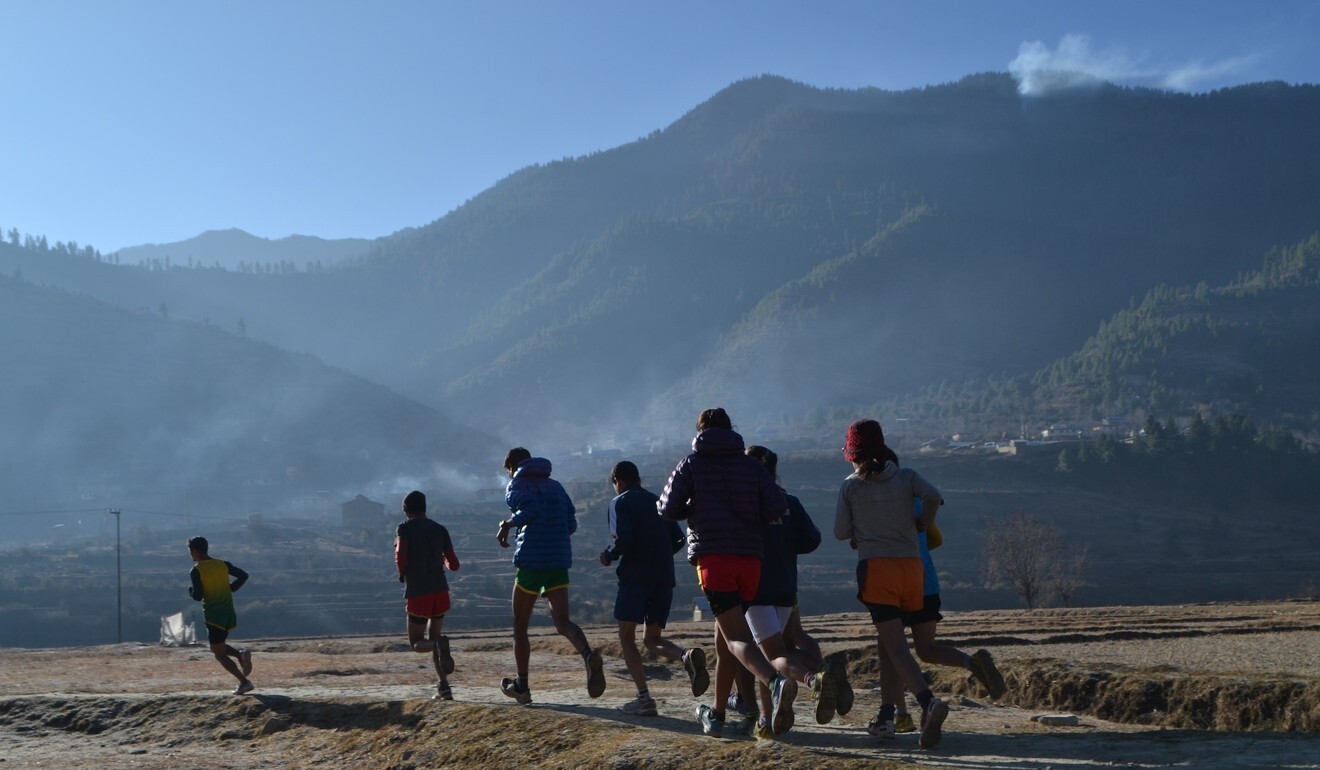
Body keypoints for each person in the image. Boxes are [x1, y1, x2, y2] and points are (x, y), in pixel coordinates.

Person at [658, 408, 832, 740]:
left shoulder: (690, 464)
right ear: (731, 429)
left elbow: (667, 508)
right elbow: (777, 506)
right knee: (726, 639)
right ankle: (719, 713)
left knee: (737, 639)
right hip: (751, 561)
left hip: (714, 561)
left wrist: (694, 508)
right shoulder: (751, 466)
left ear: (700, 431)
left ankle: (775, 682)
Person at [833, 418, 950, 749]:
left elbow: (841, 532)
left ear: (852, 454)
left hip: (877, 570)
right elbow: (934, 496)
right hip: (912, 570)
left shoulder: (851, 486)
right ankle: (886, 716)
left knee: (895, 647)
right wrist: (920, 524)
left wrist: (862, 528)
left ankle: (928, 702)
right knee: (889, 645)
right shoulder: (906, 477)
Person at [734, 444, 851, 739]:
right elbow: (811, 540)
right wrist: (785, 545)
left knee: (771, 657)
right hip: (786, 588)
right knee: (775, 651)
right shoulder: (789, 502)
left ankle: (813, 681)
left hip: (755, 590)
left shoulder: (743, 505)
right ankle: (821, 672)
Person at [599, 460, 709, 716]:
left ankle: (644, 698)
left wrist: (609, 555)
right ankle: (685, 656)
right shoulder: (658, 501)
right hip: (663, 577)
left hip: (635, 577)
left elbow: (623, 540)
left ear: (619, 481)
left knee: (626, 636)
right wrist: (658, 554)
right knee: (652, 639)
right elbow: (679, 539)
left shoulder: (620, 502)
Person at [497, 447, 604, 704]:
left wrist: (507, 525)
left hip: (532, 561)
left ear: (512, 466)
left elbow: (530, 511)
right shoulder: (555, 486)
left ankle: (522, 686)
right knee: (562, 622)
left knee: (520, 626)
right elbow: (571, 523)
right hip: (558, 559)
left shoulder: (516, 485)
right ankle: (588, 655)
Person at [892, 497, 1005, 732]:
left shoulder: (881, 500)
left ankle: (902, 714)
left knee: (894, 651)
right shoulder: (918, 503)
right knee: (927, 649)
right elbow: (937, 538)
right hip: (928, 584)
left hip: (898, 584)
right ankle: (971, 662)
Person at [395, 490, 462, 701]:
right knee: (436, 638)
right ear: (425, 508)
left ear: (406, 510)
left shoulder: (404, 528)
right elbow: (454, 564)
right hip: (440, 592)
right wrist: (440, 559)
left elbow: (400, 556)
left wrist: (402, 574)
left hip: (418, 593)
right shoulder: (440, 529)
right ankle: (444, 688)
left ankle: (436, 646)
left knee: (417, 642)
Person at [186, 536, 253, 695]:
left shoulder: (196, 570)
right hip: (228, 612)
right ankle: (240, 655)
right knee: (218, 646)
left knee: (219, 654)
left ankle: (244, 682)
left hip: (213, 614)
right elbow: (243, 575)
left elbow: (198, 596)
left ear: (194, 551)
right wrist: (231, 588)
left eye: (190, 551)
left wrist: (191, 591)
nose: (190, 554)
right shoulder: (222, 564)